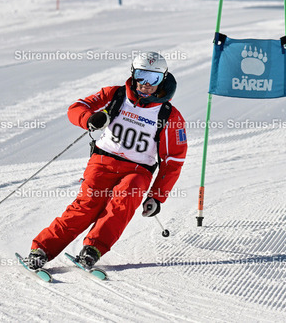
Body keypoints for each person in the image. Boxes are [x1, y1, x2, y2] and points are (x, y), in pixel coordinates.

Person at [25, 52, 188, 270]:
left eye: (154, 78)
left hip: (138, 171)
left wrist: (157, 196)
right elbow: (76, 108)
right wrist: (89, 119)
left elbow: (173, 161)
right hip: (103, 162)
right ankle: (42, 250)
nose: (146, 84)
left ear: (163, 79)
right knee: (86, 206)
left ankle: (93, 249)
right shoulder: (116, 95)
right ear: (133, 73)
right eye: (141, 76)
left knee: (122, 203)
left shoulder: (169, 115)